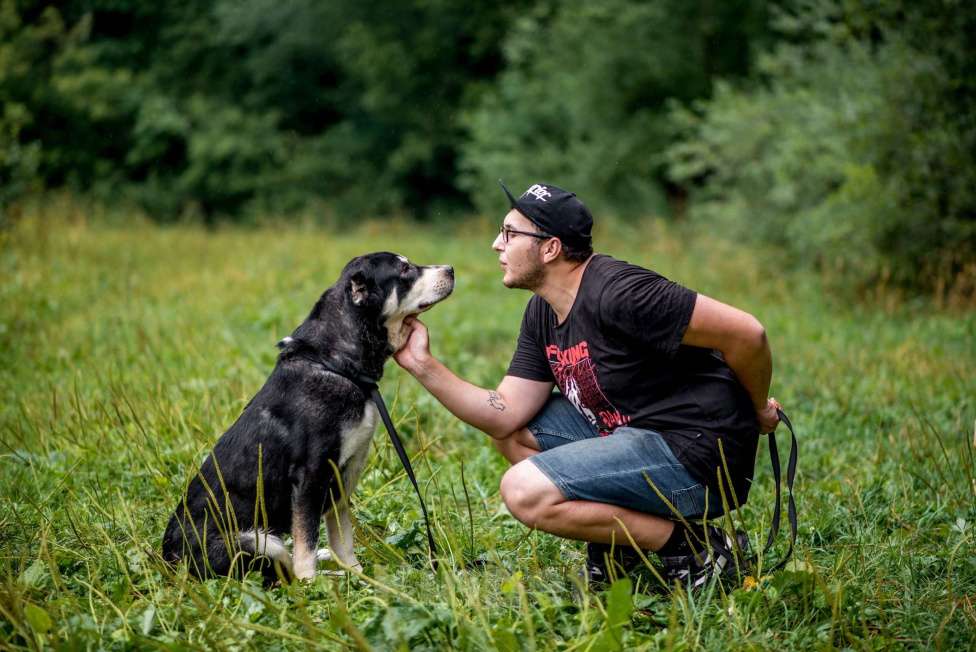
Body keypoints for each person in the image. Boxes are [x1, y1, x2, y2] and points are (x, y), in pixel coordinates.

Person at [394, 181, 781, 589]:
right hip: (633, 435)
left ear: (550, 248)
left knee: (524, 491)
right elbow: (504, 412)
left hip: (697, 455)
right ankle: (626, 544)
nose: (496, 244)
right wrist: (421, 364)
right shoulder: (543, 311)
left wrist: (757, 409)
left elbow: (747, 333)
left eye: (509, 233)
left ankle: (692, 548)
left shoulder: (621, 292)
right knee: (513, 434)